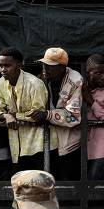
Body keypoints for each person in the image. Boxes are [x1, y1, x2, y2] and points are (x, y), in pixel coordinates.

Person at [0, 47, 49, 172]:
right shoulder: (1, 83)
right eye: (0, 66)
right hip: (16, 144)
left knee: (39, 183)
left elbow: (38, 115)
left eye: (7, 65)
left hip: (38, 143)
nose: (3, 69)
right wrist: (6, 116)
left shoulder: (35, 83)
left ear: (19, 65)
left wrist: (14, 115)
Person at [31, 48, 83, 181]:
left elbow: (73, 116)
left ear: (61, 67)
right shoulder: (42, 79)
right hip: (49, 141)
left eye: (50, 66)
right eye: (44, 64)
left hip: (69, 142)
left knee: (68, 181)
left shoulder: (75, 81)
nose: (45, 68)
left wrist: (47, 115)